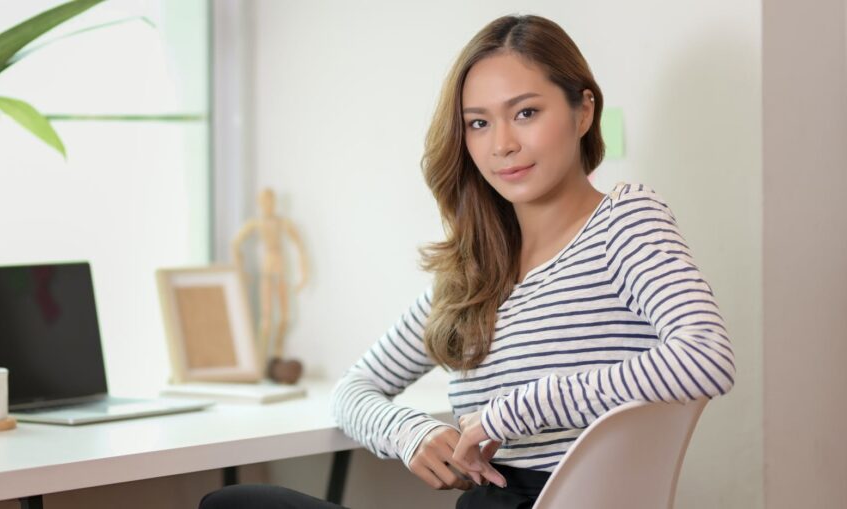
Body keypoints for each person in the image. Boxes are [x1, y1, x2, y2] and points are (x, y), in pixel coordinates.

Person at [200, 13, 736, 509]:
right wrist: (410, 433)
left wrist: (516, 409)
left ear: (583, 111)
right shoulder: (473, 273)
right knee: (239, 503)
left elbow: (706, 356)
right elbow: (352, 391)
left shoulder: (624, 220)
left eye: (526, 113)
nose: (502, 144)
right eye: (478, 123)